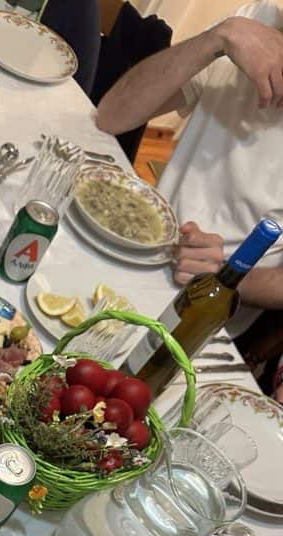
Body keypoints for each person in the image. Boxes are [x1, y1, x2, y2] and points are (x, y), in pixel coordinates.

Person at [96, 2, 283, 337]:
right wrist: (218, 37)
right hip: (136, 247)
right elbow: (112, 115)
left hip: (200, 318)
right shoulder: (256, 20)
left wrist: (225, 274)